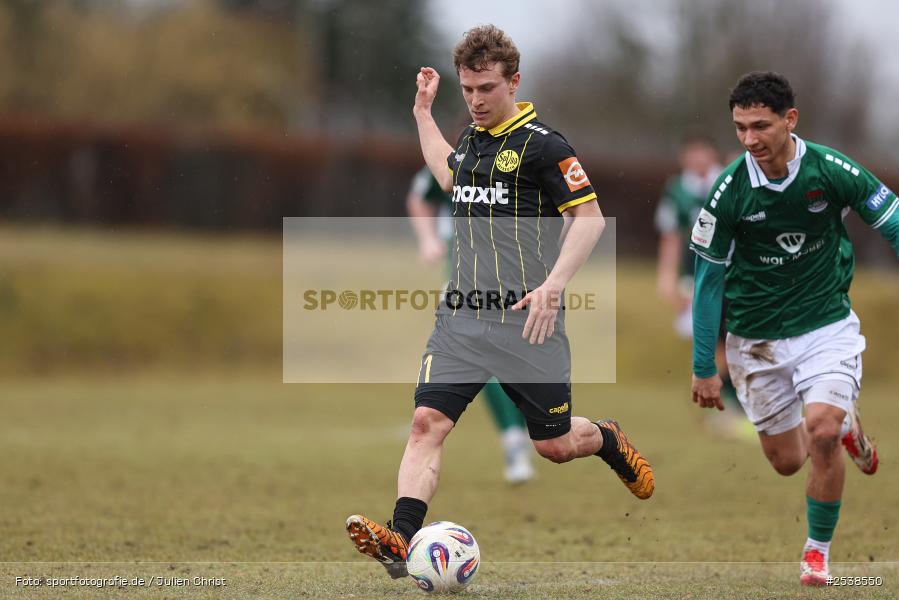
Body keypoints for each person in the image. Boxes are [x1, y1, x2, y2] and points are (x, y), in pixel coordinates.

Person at [347, 25, 654, 579]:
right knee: (426, 422)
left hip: (526, 322)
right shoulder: (470, 139)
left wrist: (554, 286)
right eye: (466, 89)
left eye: (485, 88)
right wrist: (422, 114)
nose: (475, 100)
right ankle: (402, 536)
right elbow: (447, 176)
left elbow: (587, 218)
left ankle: (606, 437)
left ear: (514, 81)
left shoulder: (545, 146)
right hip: (461, 318)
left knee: (555, 446)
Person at [689, 71, 898, 586]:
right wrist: (702, 368)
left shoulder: (830, 170)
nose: (749, 140)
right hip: (755, 342)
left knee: (820, 431)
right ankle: (849, 427)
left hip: (826, 326)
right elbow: (708, 281)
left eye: (760, 126)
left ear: (790, 120)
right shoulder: (729, 192)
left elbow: (892, 221)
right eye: (739, 128)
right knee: (786, 460)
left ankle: (816, 553)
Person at [406, 165, 535, 484]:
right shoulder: (452, 162)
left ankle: (523, 431)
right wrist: (428, 240)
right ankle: (513, 438)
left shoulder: (524, 158)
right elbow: (419, 197)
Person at [655, 136, 753, 440]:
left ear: (712, 154)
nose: (697, 158)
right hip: (696, 277)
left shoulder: (727, 181)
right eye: (691, 152)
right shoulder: (677, 190)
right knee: (712, 347)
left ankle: (742, 410)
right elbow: (671, 235)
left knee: (731, 345)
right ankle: (733, 410)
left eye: (702, 152)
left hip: (733, 275)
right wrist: (668, 277)